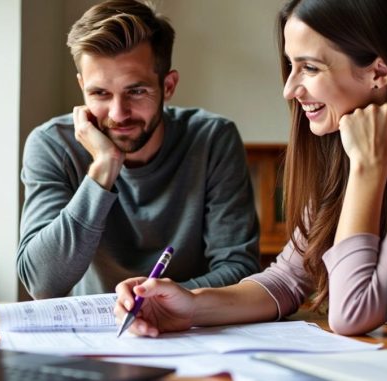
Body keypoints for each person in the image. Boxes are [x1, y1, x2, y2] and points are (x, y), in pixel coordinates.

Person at [113, 0, 387, 337]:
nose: (289, 89)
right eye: (290, 65)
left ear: (379, 73)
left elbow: (354, 311)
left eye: (310, 68)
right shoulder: (341, 143)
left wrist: (367, 168)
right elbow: (286, 279)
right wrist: (191, 305)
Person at [17, 0, 260, 299]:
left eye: (136, 91)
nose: (118, 114)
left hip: (190, 330)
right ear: (82, 87)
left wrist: (160, 301)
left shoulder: (212, 139)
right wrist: (104, 166)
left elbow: (239, 268)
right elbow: (42, 283)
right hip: (94, 337)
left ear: (168, 86)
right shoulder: (52, 144)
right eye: (100, 93)